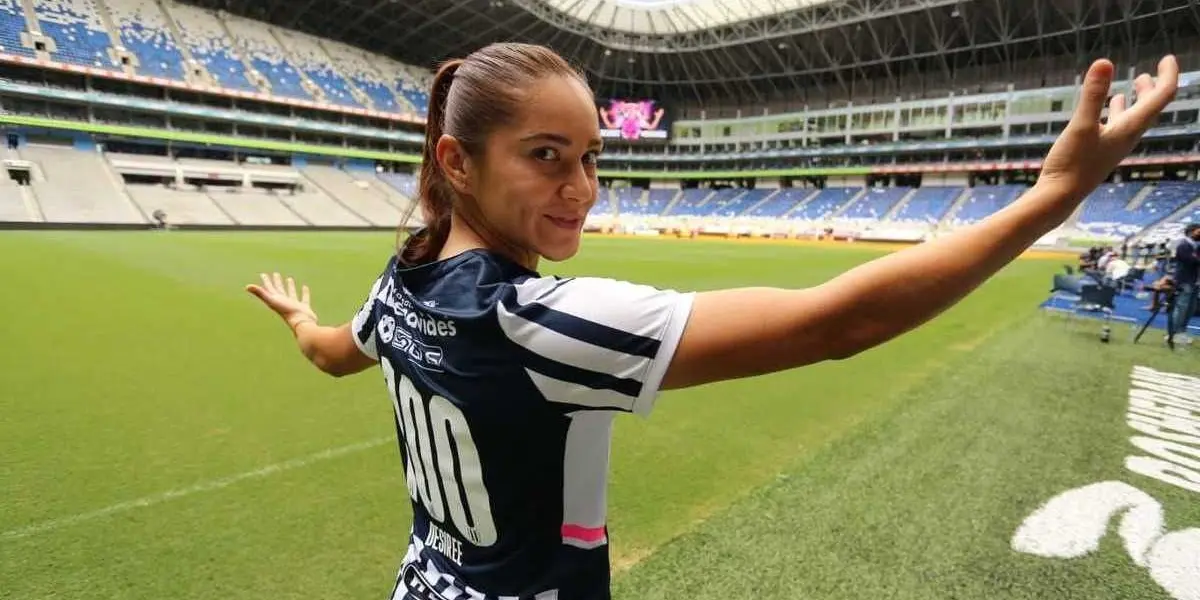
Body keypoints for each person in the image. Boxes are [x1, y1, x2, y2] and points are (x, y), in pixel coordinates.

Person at [245, 43, 1179, 600]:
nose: (580, 189)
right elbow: (834, 323)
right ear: (457, 160)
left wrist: (299, 316)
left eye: (589, 156)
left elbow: (333, 356)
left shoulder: (400, 281)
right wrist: (1052, 197)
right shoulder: (542, 321)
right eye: (544, 156)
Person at [1167, 222, 1200, 344]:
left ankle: (1181, 332)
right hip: (1185, 281)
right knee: (1182, 307)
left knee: (1190, 309)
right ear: (1191, 232)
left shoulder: (1195, 246)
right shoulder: (1183, 245)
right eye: (1198, 231)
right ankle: (1173, 334)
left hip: (1195, 282)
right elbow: (1192, 261)